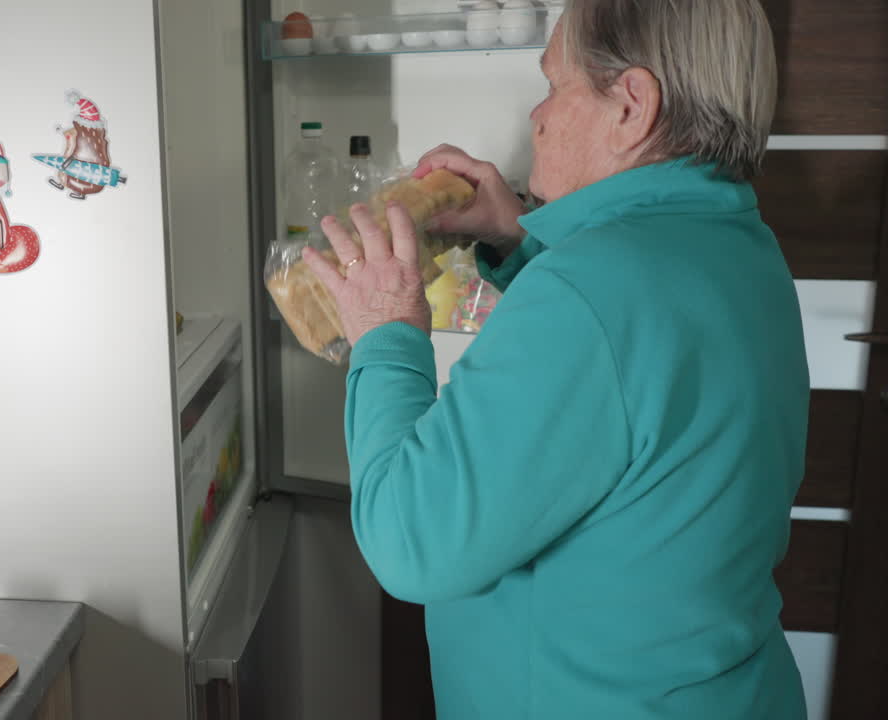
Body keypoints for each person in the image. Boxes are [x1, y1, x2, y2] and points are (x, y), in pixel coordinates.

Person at [300, 0, 810, 717]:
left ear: (631, 106)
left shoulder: (589, 291)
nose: (537, 117)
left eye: (553, 85)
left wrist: (386, 333)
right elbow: (632, 367)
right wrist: (519, 237)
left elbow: (410, 540)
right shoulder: (739, 245)